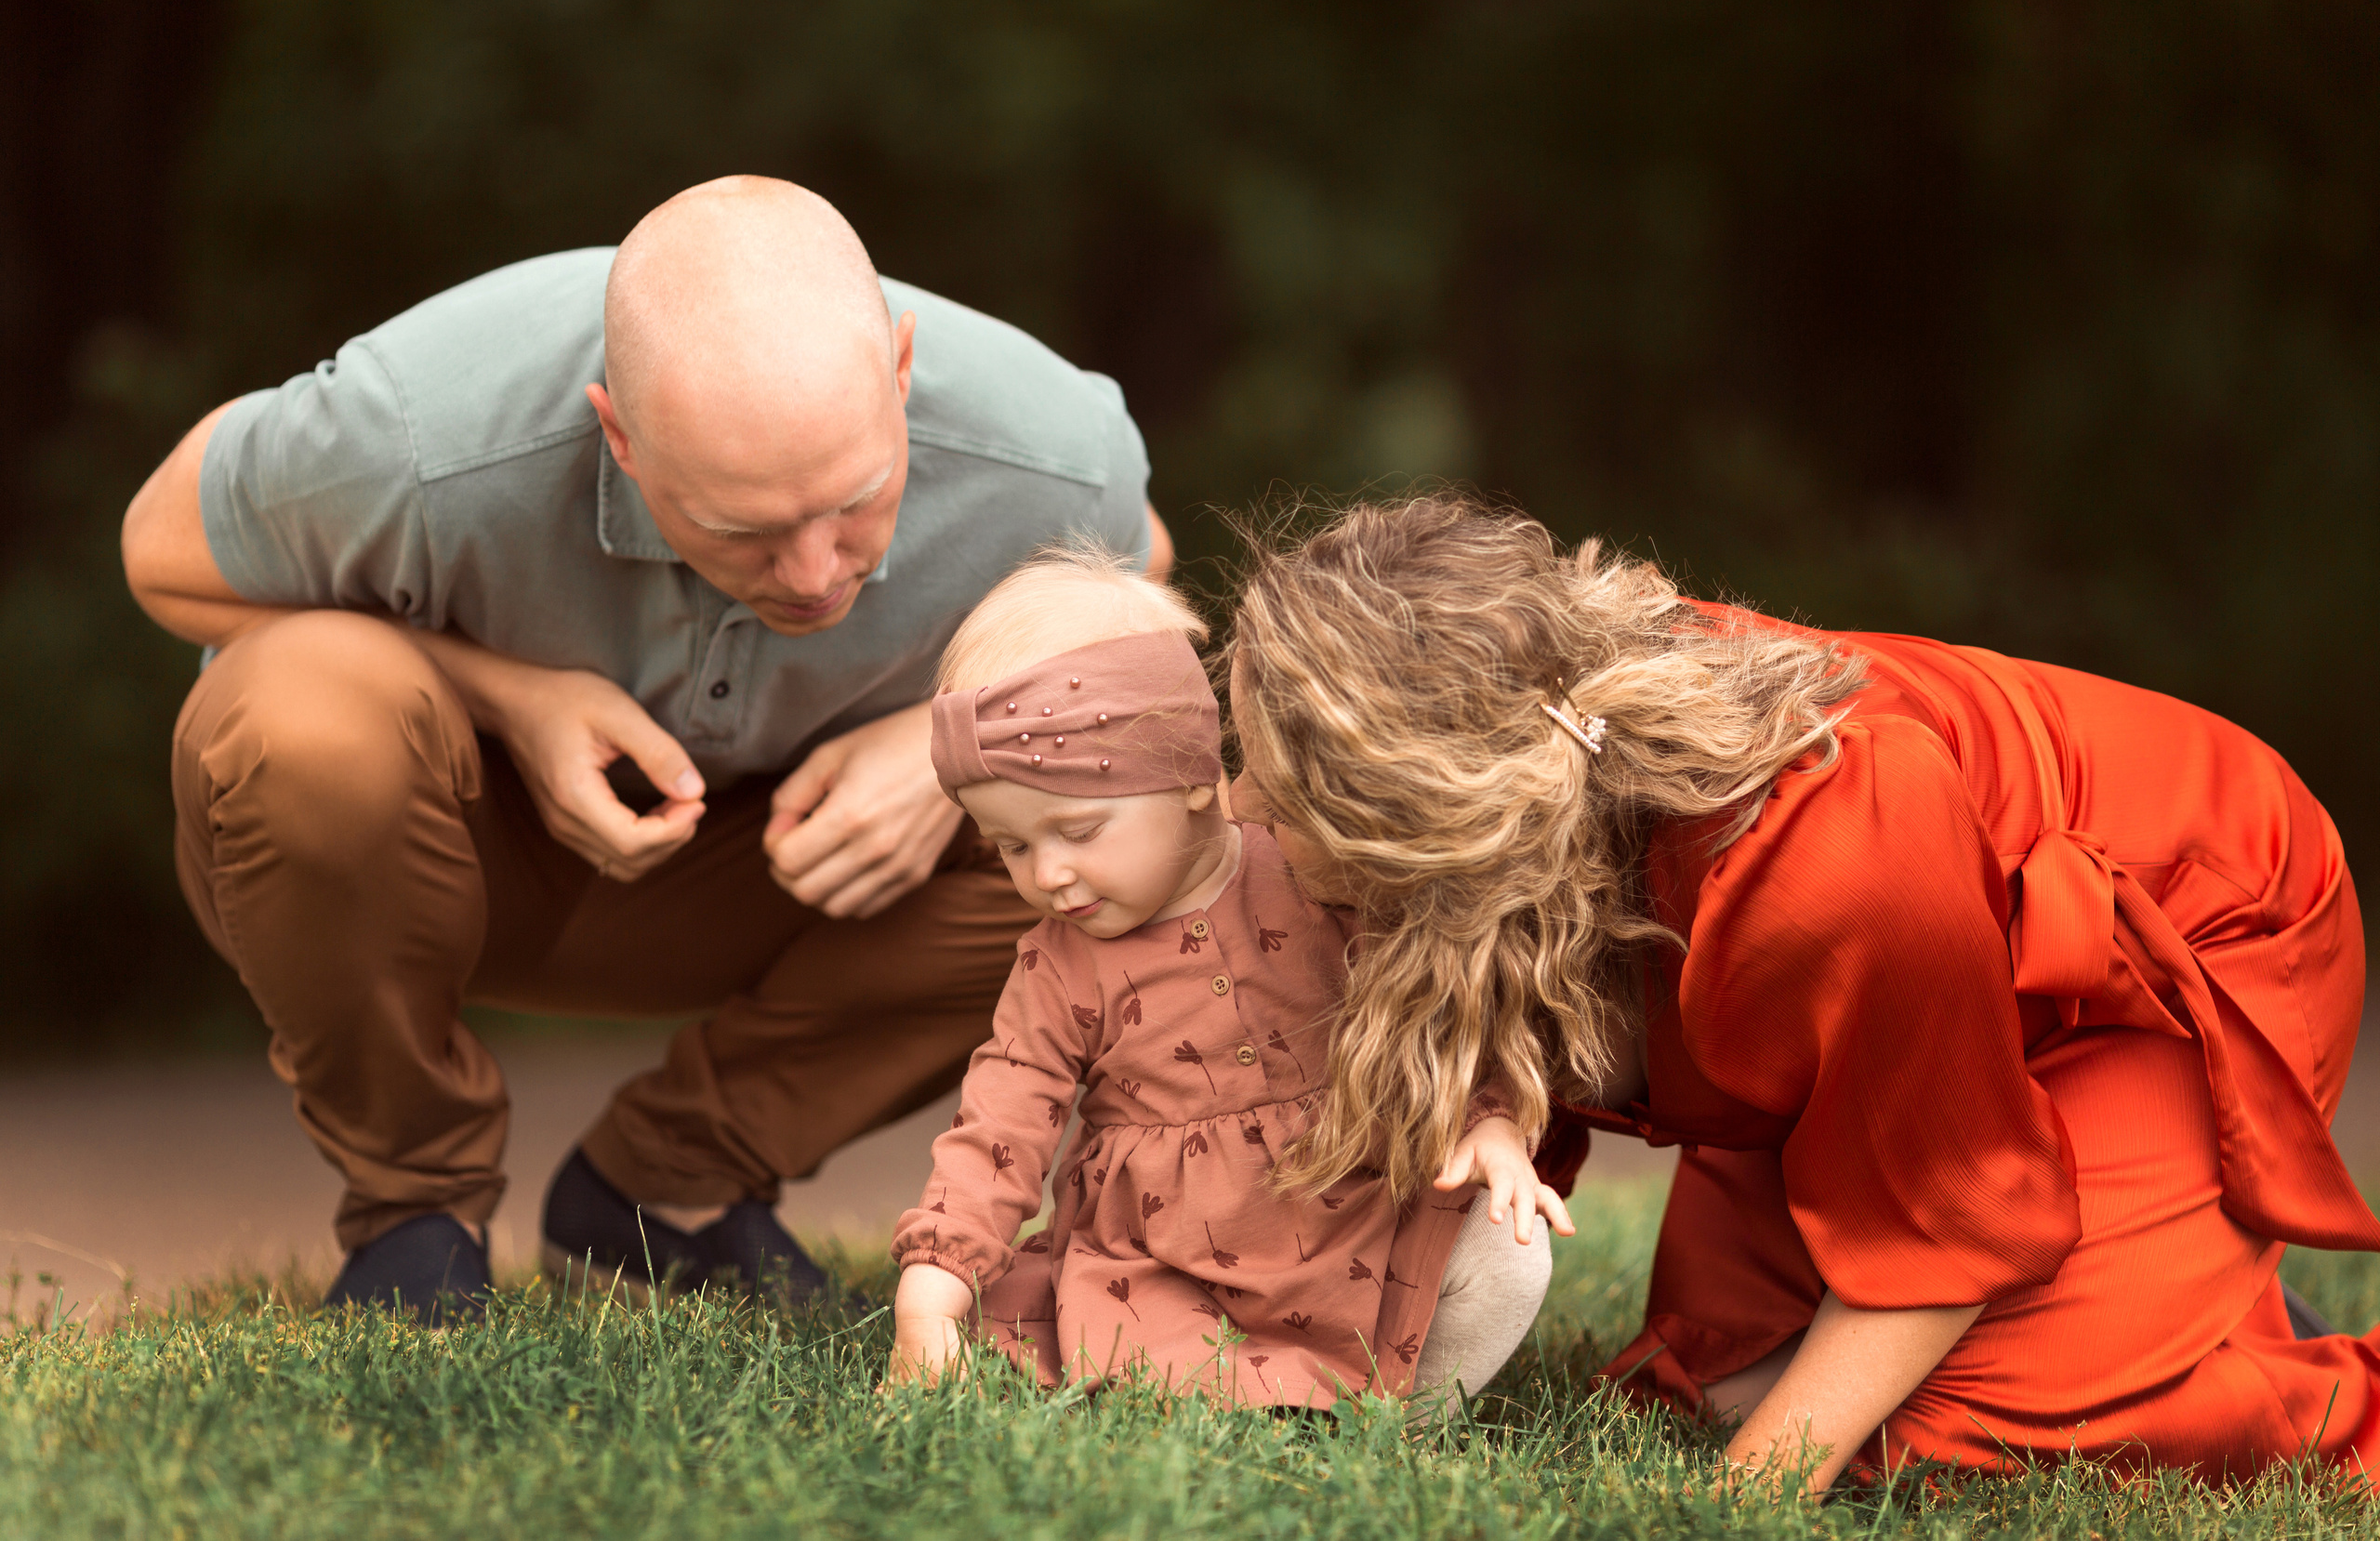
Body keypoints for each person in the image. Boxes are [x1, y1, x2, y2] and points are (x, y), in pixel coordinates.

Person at [117, 176, 1173, 1320]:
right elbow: (160, 552)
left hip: (784, 876)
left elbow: (1137, 584)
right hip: (436, 855)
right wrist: (509, 699)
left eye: (858, 503)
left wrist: (936, 748)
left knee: (1113, 789)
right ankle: (413, 1211)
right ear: (617, 431)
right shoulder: (422, 426)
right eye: (743, 530)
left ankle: (663, 1188)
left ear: (902, 371)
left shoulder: (1052, 445)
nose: (819, 573)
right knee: (295, 715)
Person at [1223, 493, 2373, 1485]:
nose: (1242, 810)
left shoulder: (1822, 861)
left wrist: (1751, 1499)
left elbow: (1949, 1217)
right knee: (1720, 1373)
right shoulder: (1533, 768)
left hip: (2183, 946)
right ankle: (2169, 1290)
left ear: (1424, 826)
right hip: (1904, 993)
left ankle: (2277, 1373)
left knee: (1933, 1432)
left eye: (1271, 788)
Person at [884, 551, 1570, 1409]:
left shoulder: (1314, 869)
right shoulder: (1058, 967)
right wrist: (932, 1289)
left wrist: (1491, 1123)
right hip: (1167, 1264)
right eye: (1012, 845)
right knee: (1102, 1338)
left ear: (1197, 777)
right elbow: (1001, 1124)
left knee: (1508, 1250)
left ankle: (1406, 1410)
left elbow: (1433, 1006)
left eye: (1078, 829)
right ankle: (1254, 1400)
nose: (1049, 874)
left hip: (1361, 1209)